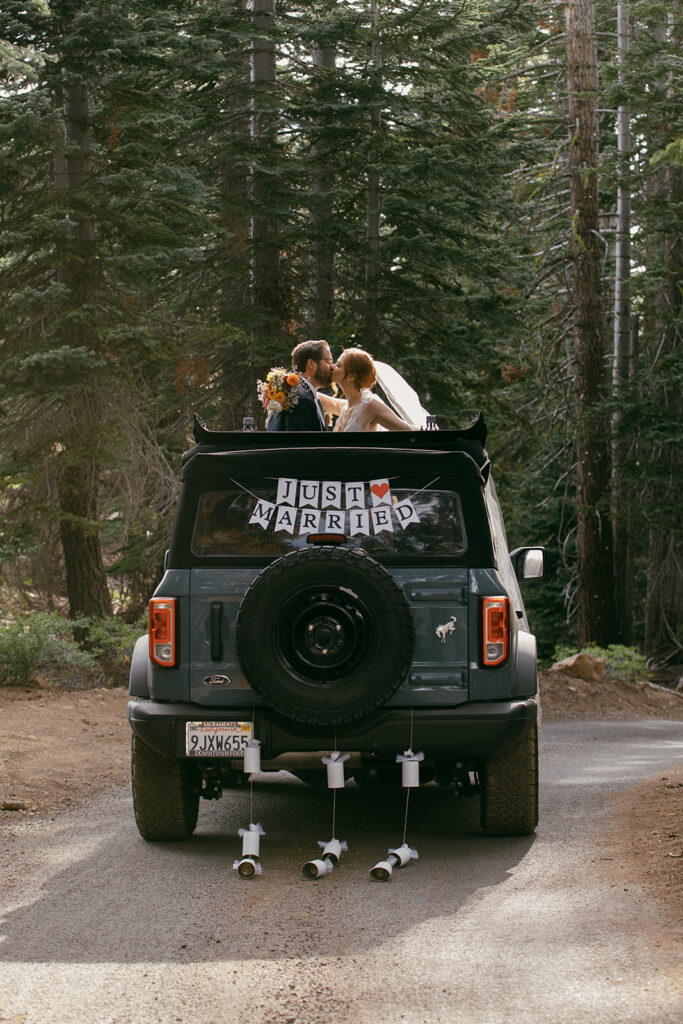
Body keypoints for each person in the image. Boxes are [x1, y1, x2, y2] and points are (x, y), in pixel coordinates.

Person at [318, 348, 412, 432]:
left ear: (351, 377)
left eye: (338, 365)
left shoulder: (370, 404)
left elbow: (408, 430)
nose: (332, 367)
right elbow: (322, 399)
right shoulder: (345, 407)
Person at [266, 340, 334, 431]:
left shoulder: (293, 394)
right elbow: (300, 444)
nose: (332, 367)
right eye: (328, 362)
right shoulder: (303, 400)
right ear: (311, 364)